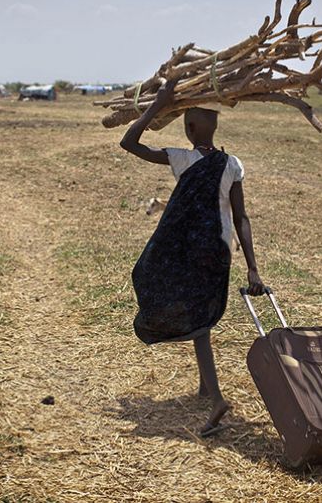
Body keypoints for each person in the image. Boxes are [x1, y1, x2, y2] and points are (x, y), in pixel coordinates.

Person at [119, 79, 266, 436]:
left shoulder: (182, 158)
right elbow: (242, 218)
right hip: (219, 252)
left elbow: (128, 142)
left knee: (197, 321)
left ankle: (216, 400)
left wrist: (157, 105)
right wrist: (252, 268)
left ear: (188, 127)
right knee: (203, 314)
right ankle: (205, 388)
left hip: (191, 252)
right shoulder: (232, 164)